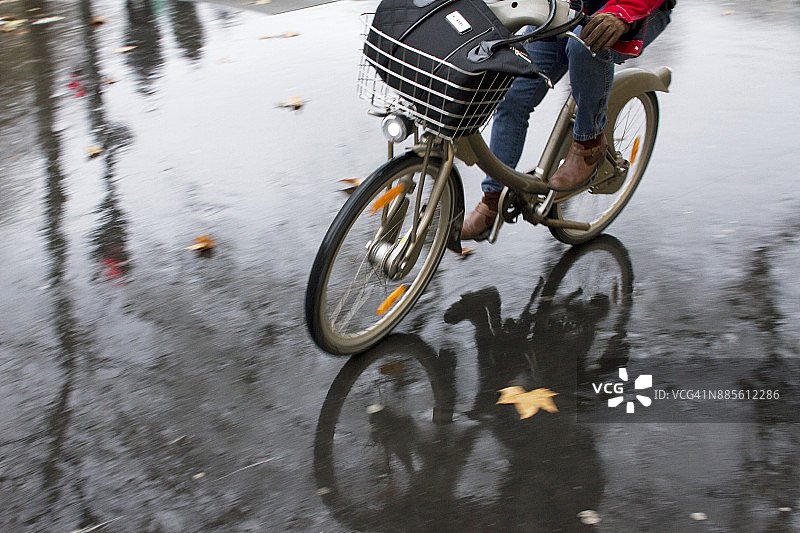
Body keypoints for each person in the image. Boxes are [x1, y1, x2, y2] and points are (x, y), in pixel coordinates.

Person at [461, 0, 674, 241]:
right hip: (570, 6)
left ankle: (589, 144)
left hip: (634, 9)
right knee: (512, 93)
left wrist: (622, 13)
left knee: (587, 44)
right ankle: (492, 202)